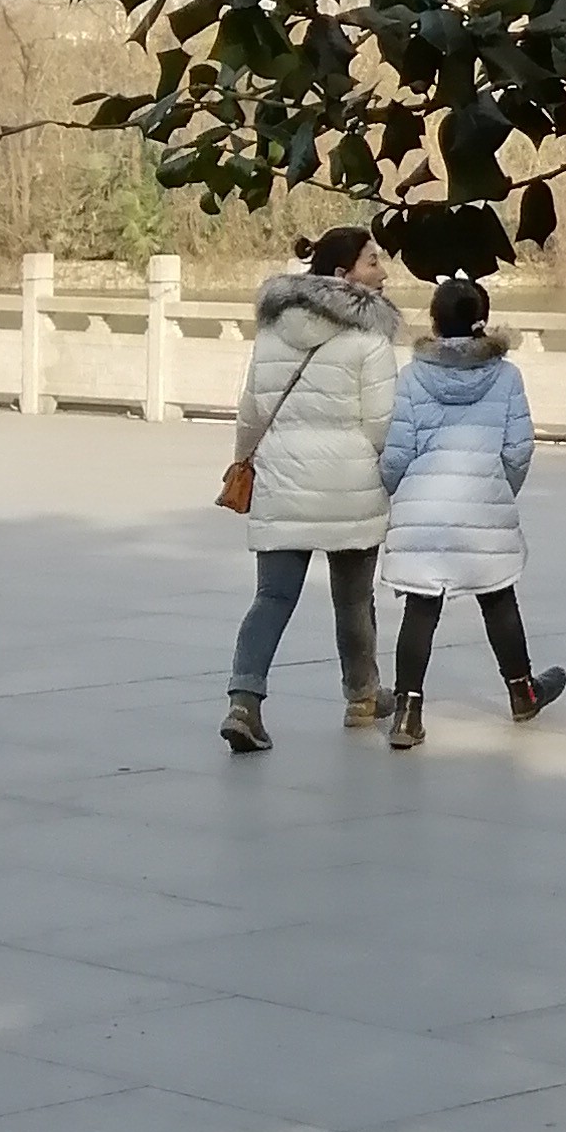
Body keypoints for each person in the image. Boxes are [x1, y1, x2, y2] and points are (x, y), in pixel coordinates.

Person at [219, 227, 401, 757]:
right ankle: (362, 696)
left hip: (283, 478)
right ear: (344, 275)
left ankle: (244, 702)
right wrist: (387, 475)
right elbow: (382, 425)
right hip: (350, 482)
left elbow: (252, 410)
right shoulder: (370, 338)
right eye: (373, 262)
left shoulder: (273, 331)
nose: (383, 273)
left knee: (272, 598)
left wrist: (242, 462)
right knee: (352, 598)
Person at [372, 272, 566, 750]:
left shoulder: (413, 374)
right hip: (484, 500)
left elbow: (396, 452)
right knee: (498, 597)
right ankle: (523, 694)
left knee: (421, 606)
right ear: (484, 321)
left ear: (434, 323)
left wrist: (400, 493)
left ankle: (407, 715)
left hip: (423, 505)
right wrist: (499, 490)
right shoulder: (506, 375)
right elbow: (518, 450)